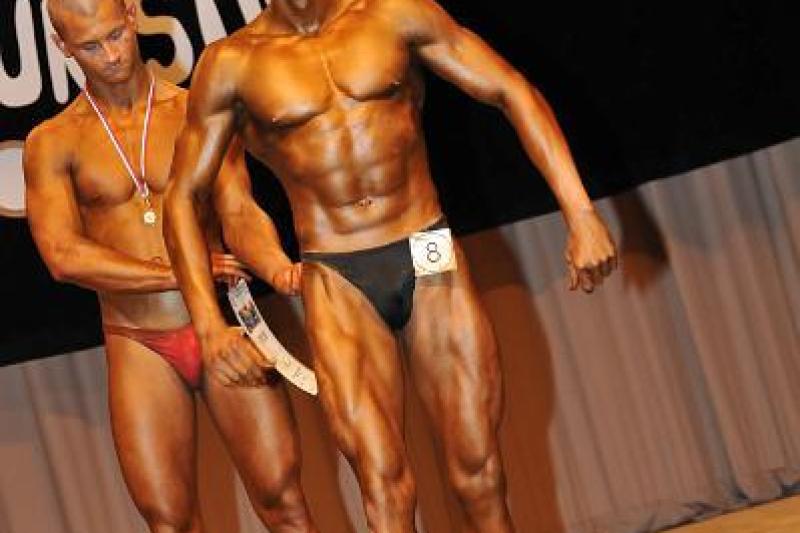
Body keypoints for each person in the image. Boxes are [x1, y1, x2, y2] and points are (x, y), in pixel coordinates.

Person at [165, 0, 618, 531]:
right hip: (337, 274)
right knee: (384, 486)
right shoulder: (233, 64)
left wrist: (581, 213)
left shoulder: (393, 13)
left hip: (426, 248)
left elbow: (509, 88)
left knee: (479, 473)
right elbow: (183, 197)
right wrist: (208, 325)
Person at [24, 1, 318, 531]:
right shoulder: (53, 142)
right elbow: (62, 256)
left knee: (286, 503)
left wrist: (279, 268)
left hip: (221, 323)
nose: (112, 55)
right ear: (62, 46)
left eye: (116, 34)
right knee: (169, 521)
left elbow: (239, 210)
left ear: (130, 14)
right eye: (90, 46)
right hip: (139, 343)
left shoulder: (194, 113)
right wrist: (184, 271)